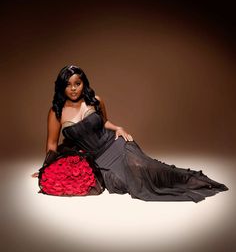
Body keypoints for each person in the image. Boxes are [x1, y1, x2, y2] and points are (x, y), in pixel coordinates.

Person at [32, 64, 229, 202]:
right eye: (68, 84)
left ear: (84, 83)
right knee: (128, 185)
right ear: (61, 86)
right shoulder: (56, 112)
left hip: (115, 144)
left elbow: (104, 122)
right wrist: (46, 169)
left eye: (78, 83)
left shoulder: (95, 100)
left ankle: (197, 181)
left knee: (146, 167)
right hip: (97, 160)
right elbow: (51, 144)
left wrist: (118, 128)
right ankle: (189, 181)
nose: (73, 88)